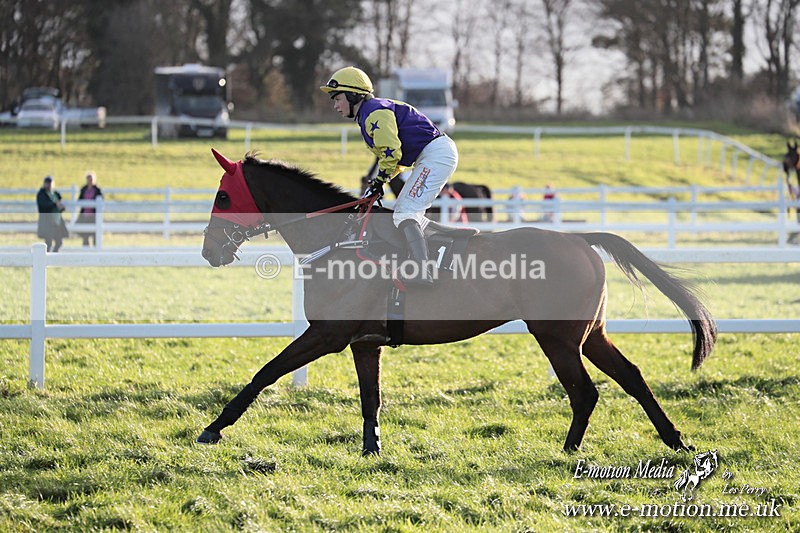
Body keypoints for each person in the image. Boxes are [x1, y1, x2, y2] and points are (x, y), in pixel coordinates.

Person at [320, 66, 458, 286]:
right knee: (403, 211)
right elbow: (394, 159)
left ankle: (423, 271)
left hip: (436, 155)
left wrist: (379, 180)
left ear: (354, 95)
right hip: (430, 154)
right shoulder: (369, 113)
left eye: (337, 98)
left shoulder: (374, 112)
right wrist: (378, 182)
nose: (335, 105)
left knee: (405, 212)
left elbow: (392, 153)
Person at [36, 176, 68, 252]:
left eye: (50, 183)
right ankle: (46, 259)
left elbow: (60, 204)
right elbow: (43, 205)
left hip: (57, 221)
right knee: (48, 242)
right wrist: (54, 204)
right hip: (47, 221)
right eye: (47, 183)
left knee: (59, 242)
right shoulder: (42, 194)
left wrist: (61, 207)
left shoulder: (55, 194)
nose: (49, 185)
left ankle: (54, 257)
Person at [76, 170, 103, 247]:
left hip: (93, 215)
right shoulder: (84, 189)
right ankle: (85, 250)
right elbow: (80, 200)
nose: (90, 181)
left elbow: (101, 201)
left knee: (95, 233)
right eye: (88, 179)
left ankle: (96, 249)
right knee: (85, 234)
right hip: (85, 215)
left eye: (91, 179)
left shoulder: (97, 190)